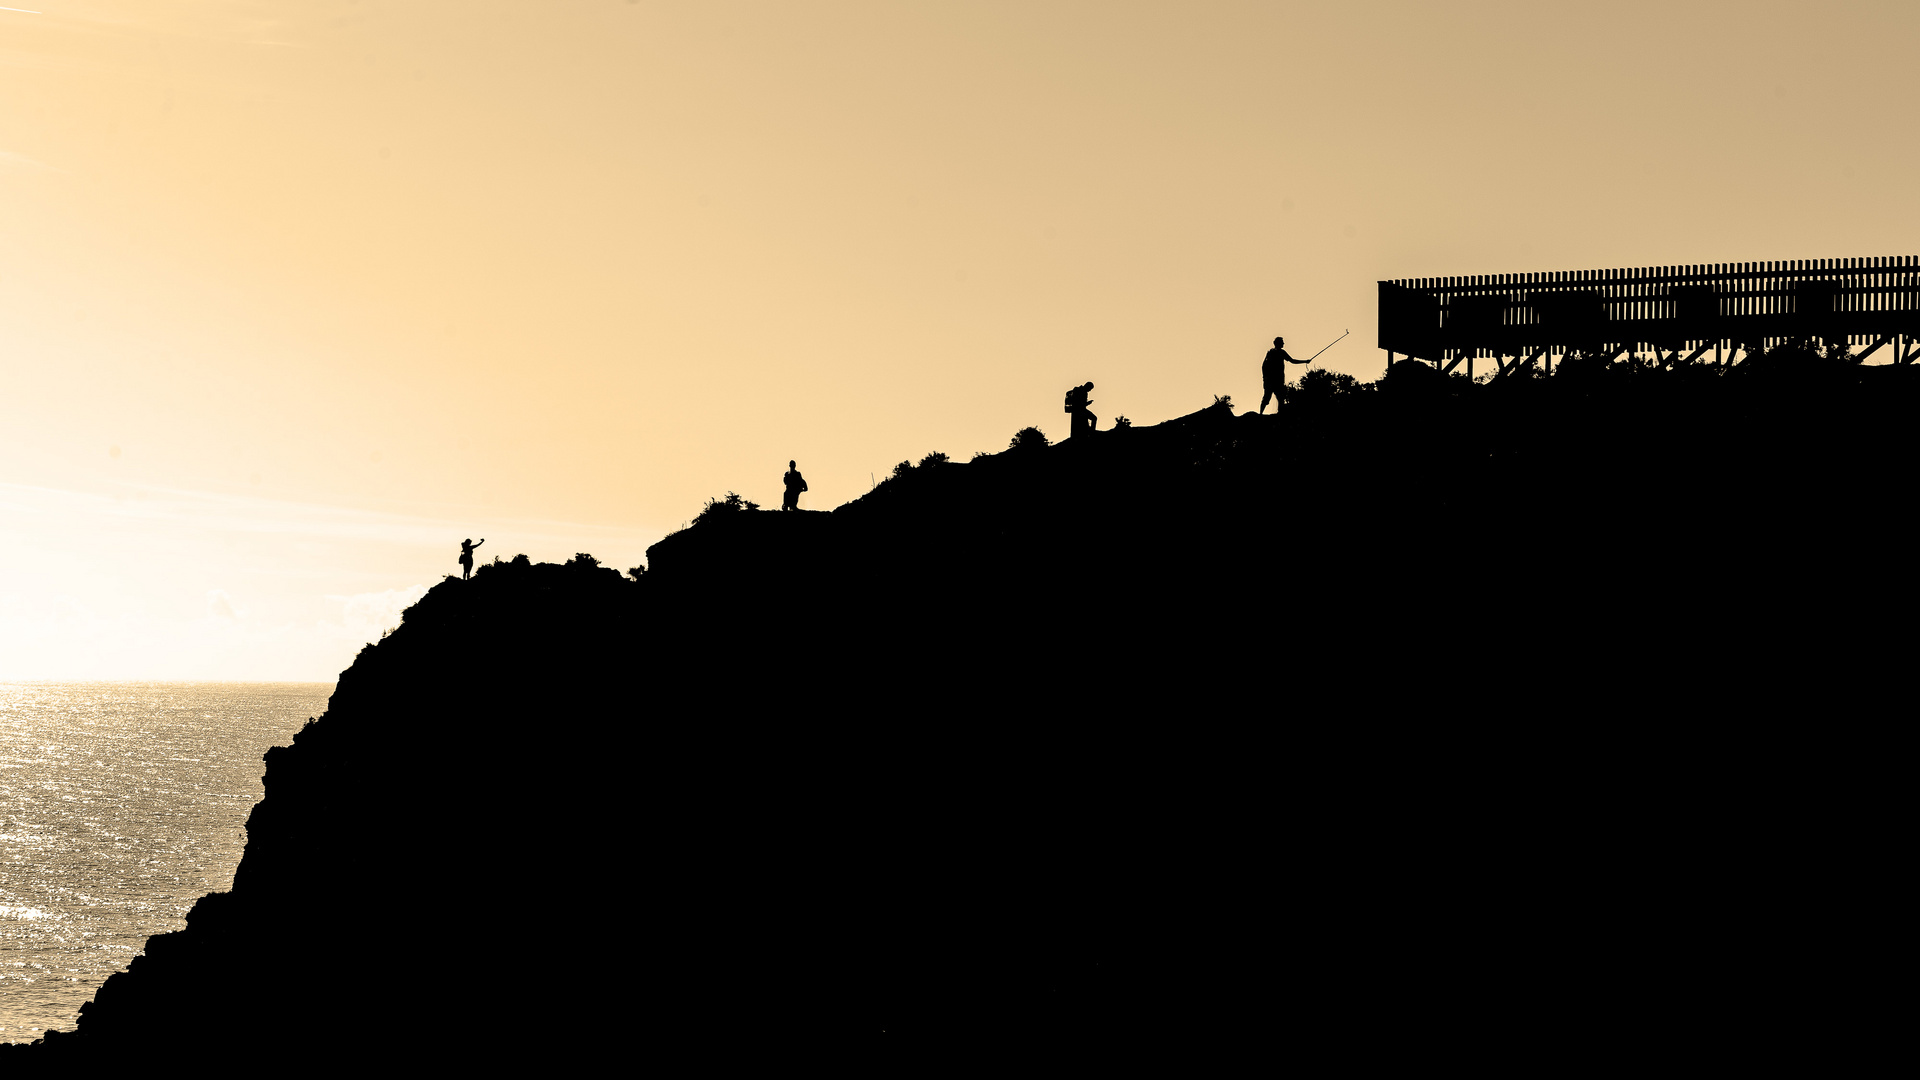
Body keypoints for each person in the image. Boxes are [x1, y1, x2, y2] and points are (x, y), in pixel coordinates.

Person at [1261, 337, 1307, 413]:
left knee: (1272, 398)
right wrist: (1305, 361)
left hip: (1271, 380)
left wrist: (1265, 378)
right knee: (1277, 398)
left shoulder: (1271, 353)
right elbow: (1292, 361)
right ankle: (1265, 414)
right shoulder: (1280, 353)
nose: (1283, 344)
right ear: (1278, 343)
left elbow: (1263, 366)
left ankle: (1261, 413)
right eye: (1282, 342)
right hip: (1276, 380)